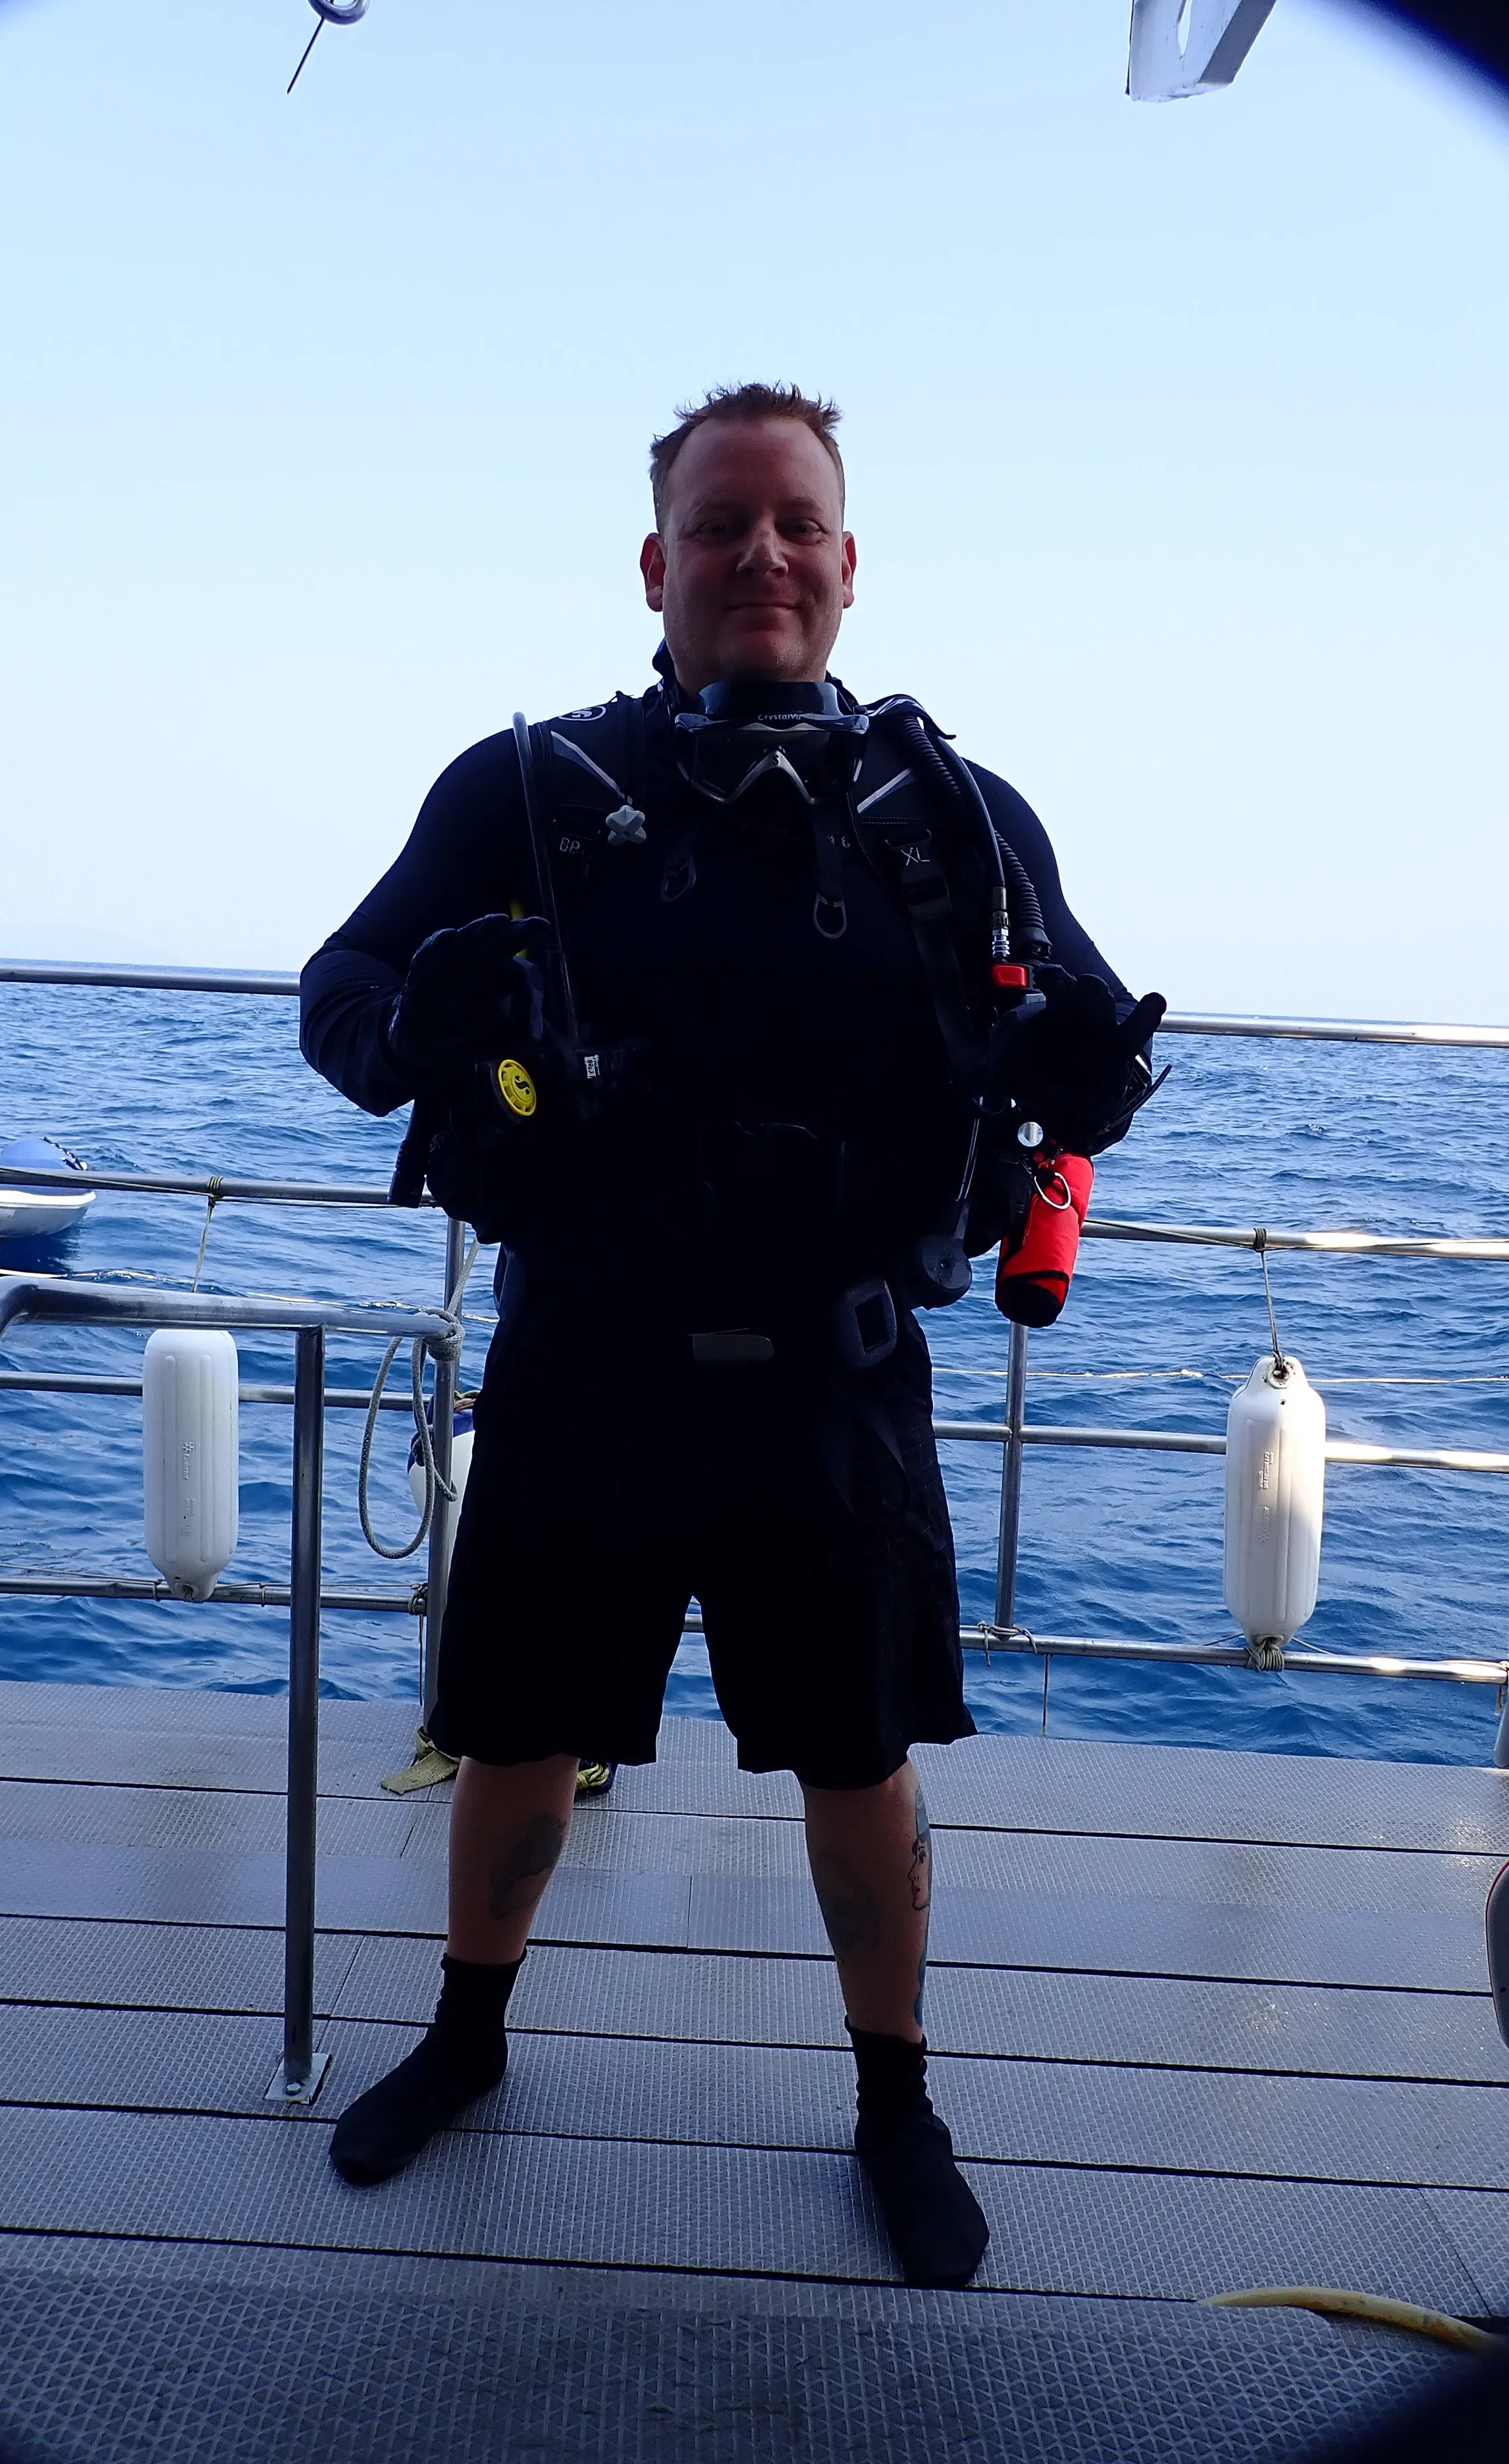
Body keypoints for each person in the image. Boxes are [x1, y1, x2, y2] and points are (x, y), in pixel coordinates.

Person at [299, 382, 1161, 2288]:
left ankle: (895, 2101)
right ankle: (465, 2035)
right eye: (717, 524)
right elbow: (337, 997)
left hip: (837, 1384)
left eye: (794, 525)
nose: (757, 555)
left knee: (861, 1757)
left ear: (848, 566)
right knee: (517, 1728)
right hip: (585, 1362)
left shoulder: (955, 815)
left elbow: (1082, 1053)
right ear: (653, 563)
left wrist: (1090, 1071)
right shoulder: (526, 793)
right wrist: (423, 1021)